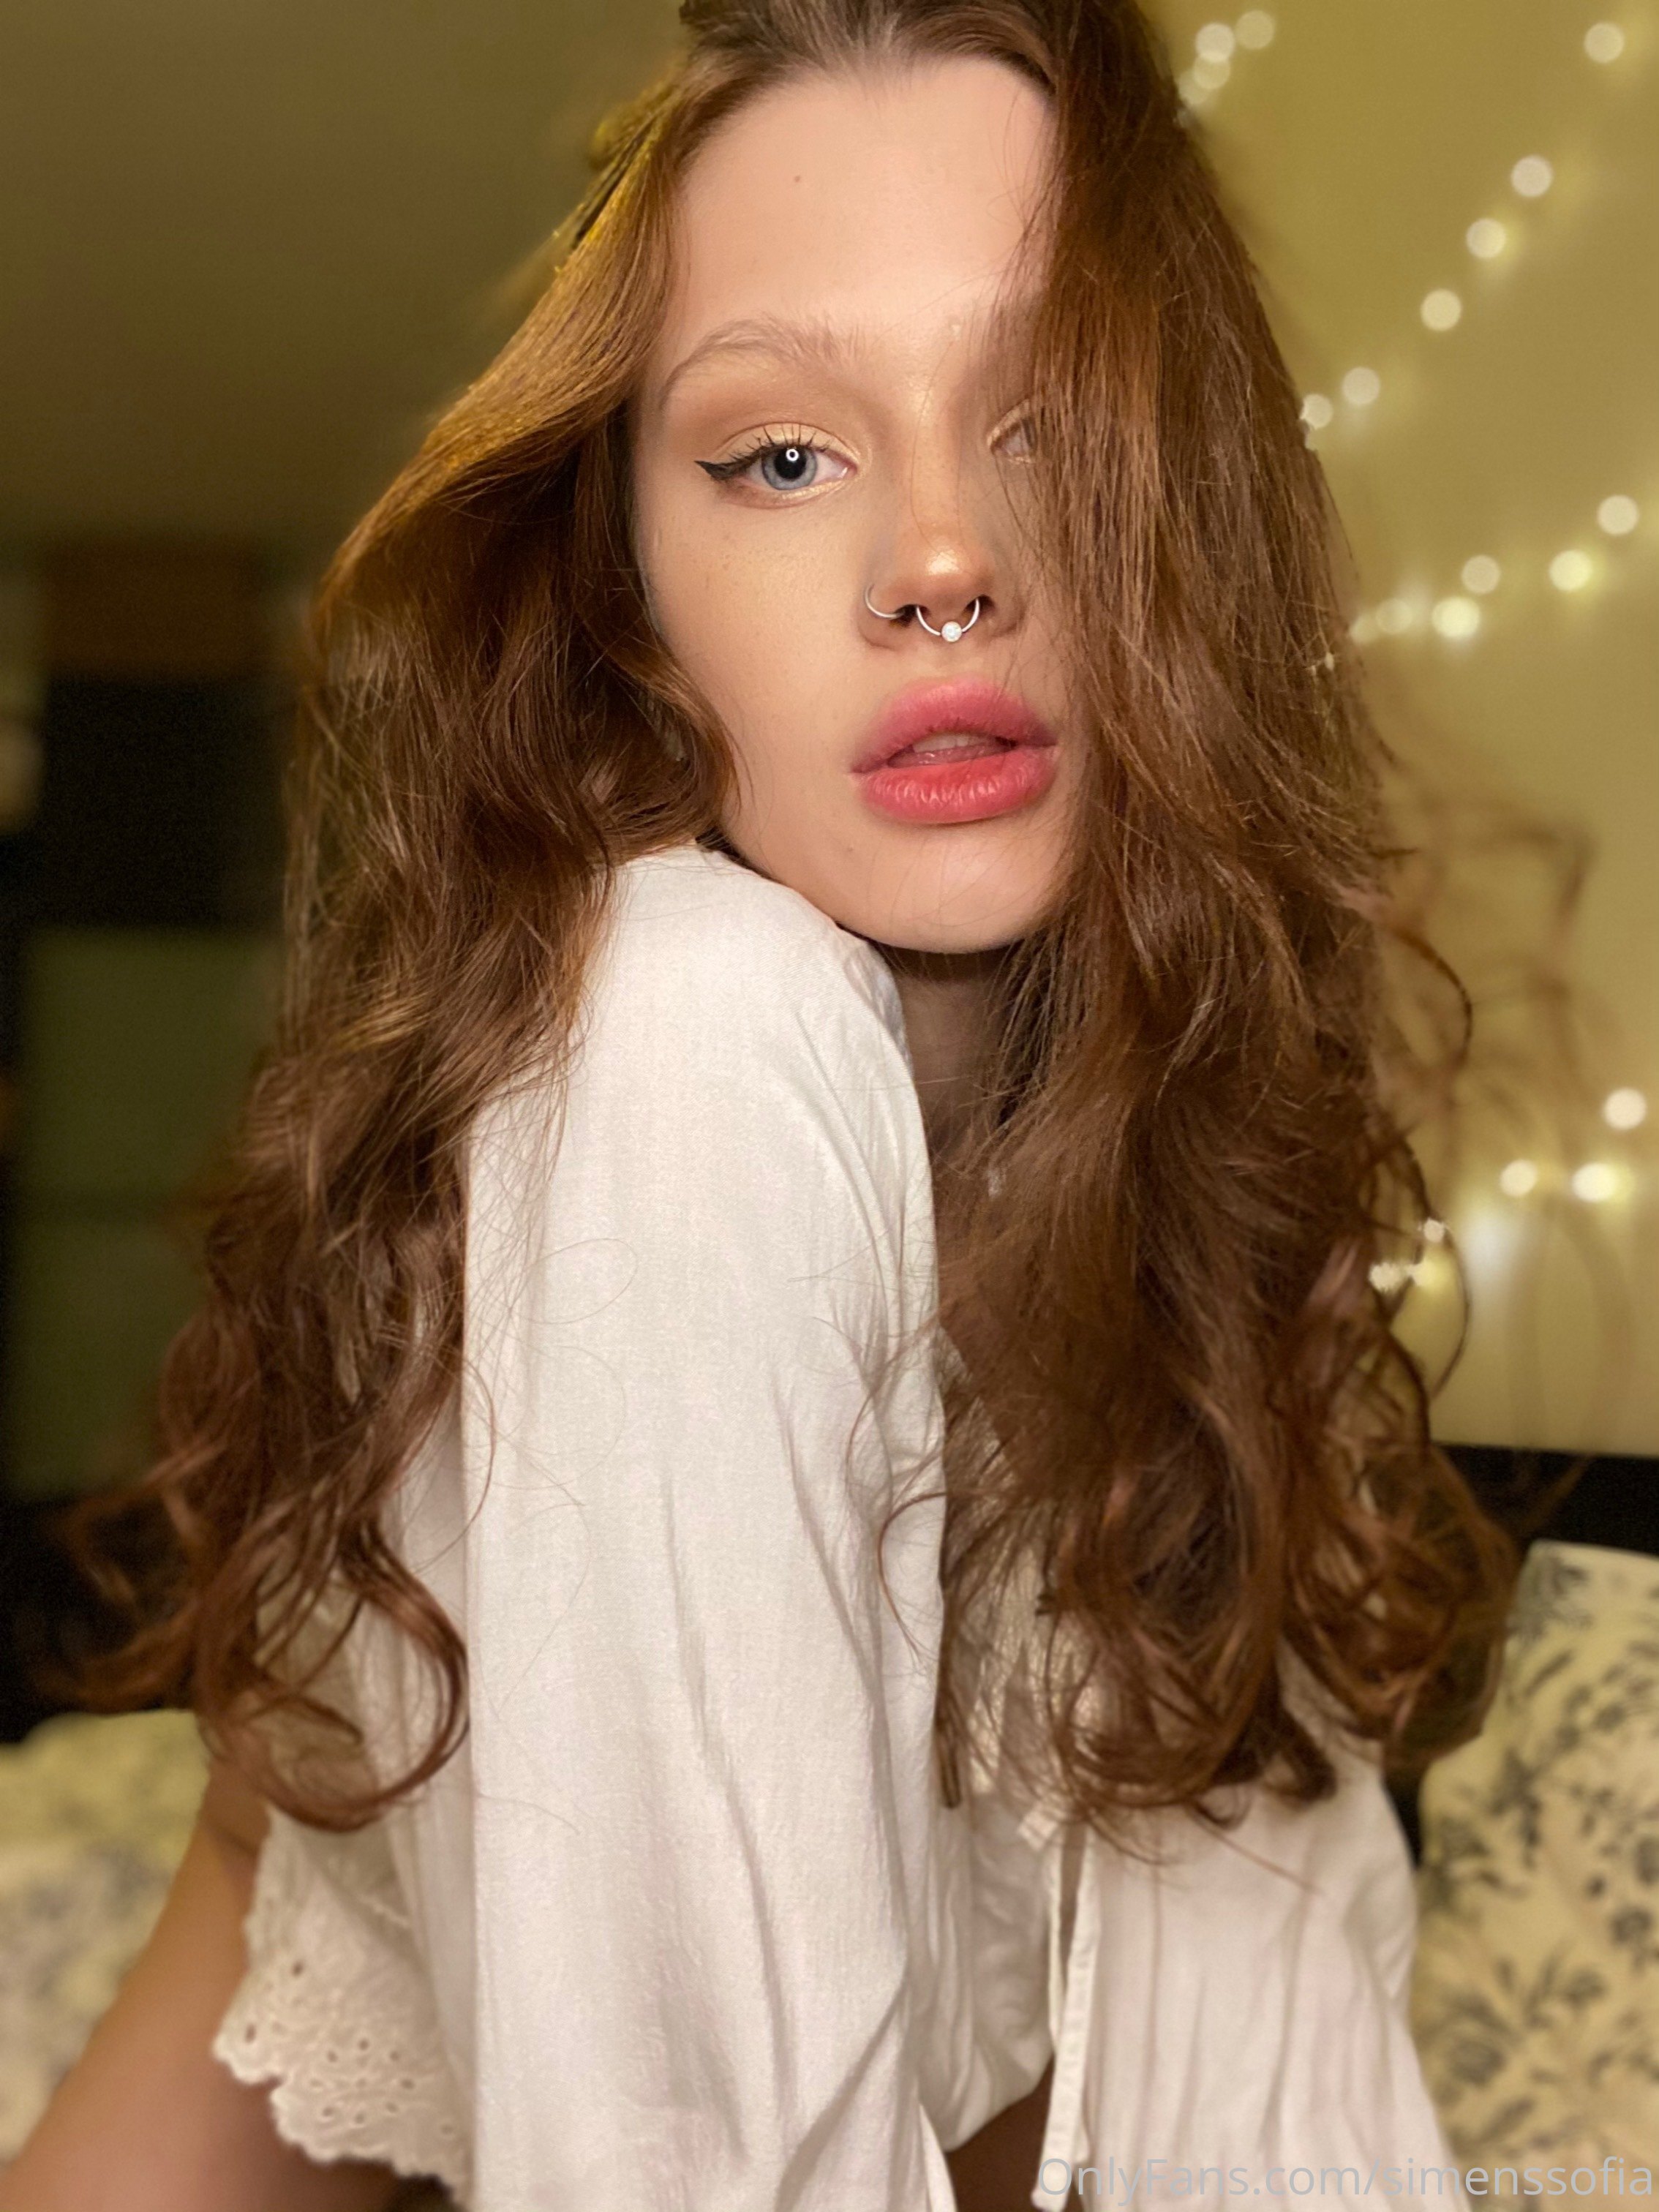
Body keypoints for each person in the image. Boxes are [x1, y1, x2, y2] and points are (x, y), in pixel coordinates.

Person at [0, 2, 1517, 2206]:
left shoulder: (1176, 1158)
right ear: (626, 599)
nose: (940, 557)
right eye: (780, 458)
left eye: (1050, 422)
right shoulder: (682, 1040)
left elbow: (1278, 2054)